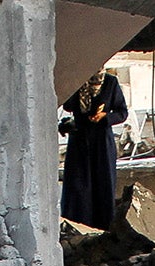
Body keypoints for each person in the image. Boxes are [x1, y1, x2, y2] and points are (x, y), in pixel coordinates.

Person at [60, 69, 127, 230]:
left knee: (102, 183)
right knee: (78, 184)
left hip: (101, 141)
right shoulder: (76, 80)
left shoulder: (110, 82)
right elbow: (68, 105)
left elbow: (122, 112)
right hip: (80, 139)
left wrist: (105, 117)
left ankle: (104, 227)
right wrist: (75, 86)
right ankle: (77, 226)